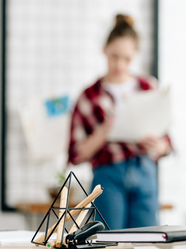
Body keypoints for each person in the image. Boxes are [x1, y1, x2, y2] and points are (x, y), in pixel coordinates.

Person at [68, 14, 172, 230]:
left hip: (144, 170)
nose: (119, 64)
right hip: (108, 174)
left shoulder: (148, 88)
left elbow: (167, 143)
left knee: (148, 241)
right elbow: (76, 154)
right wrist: (106, 130)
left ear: (134, 56)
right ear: (104, 50)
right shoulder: (89, 96)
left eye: (126, 58)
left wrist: (158, 145)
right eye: (114, 56)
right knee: (109, 241)